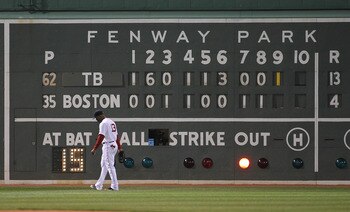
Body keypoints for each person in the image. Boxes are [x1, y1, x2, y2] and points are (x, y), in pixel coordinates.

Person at [90, 110, 122, 191]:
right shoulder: (111, 121)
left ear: (100, 116)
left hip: (108, 145)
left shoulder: (103, 123)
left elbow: (101, 136)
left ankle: (115, 186)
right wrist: (119, 147)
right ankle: (98, 185)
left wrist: (94, 148)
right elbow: (116, 136)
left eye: (96, 118)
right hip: (113, 144)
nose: (96, 120)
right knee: (104, 165)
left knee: (110, 166)